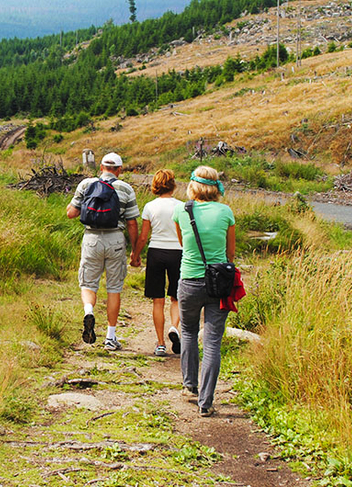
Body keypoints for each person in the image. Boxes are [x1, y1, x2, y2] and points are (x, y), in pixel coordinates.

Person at [171, 165, 235, 418]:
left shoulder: (181, 210)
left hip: (189, 280)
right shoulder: (226, 212)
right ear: (216, 186)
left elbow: (181, 243)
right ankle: (206, 402)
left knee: (187, 331)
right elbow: (230, 253)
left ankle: (190, 386)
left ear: (192, 185)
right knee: (212, 342)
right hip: (219, 282)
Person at [66, 152, 140, 351]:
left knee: (88, 283)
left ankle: (89, 311)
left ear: (101, 167)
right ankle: (110, 337)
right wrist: (135, 251)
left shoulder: (86, 185)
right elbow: (132, 223)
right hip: (115, 239)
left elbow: (70, 213)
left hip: (91, 239)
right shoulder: (126, 188)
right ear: (119, 170)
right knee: (114, 288)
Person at [130, 169, 182, 357]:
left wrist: (135, 254)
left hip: (156, 252)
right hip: (178, 252)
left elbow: (144, 236)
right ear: (173, 184)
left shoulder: (150, 207)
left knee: (157, 300)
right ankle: (174, 328)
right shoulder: (182, 206)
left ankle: (160, 344)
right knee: (176, 297)